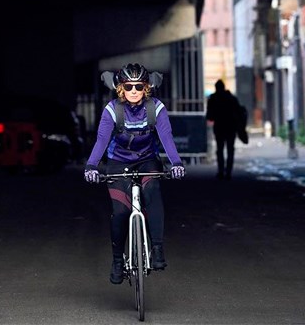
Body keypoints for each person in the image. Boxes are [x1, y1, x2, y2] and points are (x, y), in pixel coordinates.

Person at [83, 63, 185, 285]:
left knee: (153, 193)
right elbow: (101, 140)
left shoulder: (156, 107)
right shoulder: (112, 109)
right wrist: (91, 166)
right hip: (118, 162)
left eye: (139, 86)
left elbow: (166, 137)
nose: (134, 91)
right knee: (120, 212)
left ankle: (157, 249)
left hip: (147, 160)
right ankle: (118, 261)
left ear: (146, 87)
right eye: (129, 86)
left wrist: (176, 163)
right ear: (121, 88)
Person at [206, 79, 244, 180]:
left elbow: (209, 116)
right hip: (231, 127)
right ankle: (228, 172)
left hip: (219, 127)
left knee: (220, 149)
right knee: (230, 149)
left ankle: (221, 171)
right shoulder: (231, 98)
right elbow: (239, 112)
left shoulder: (213, 99)